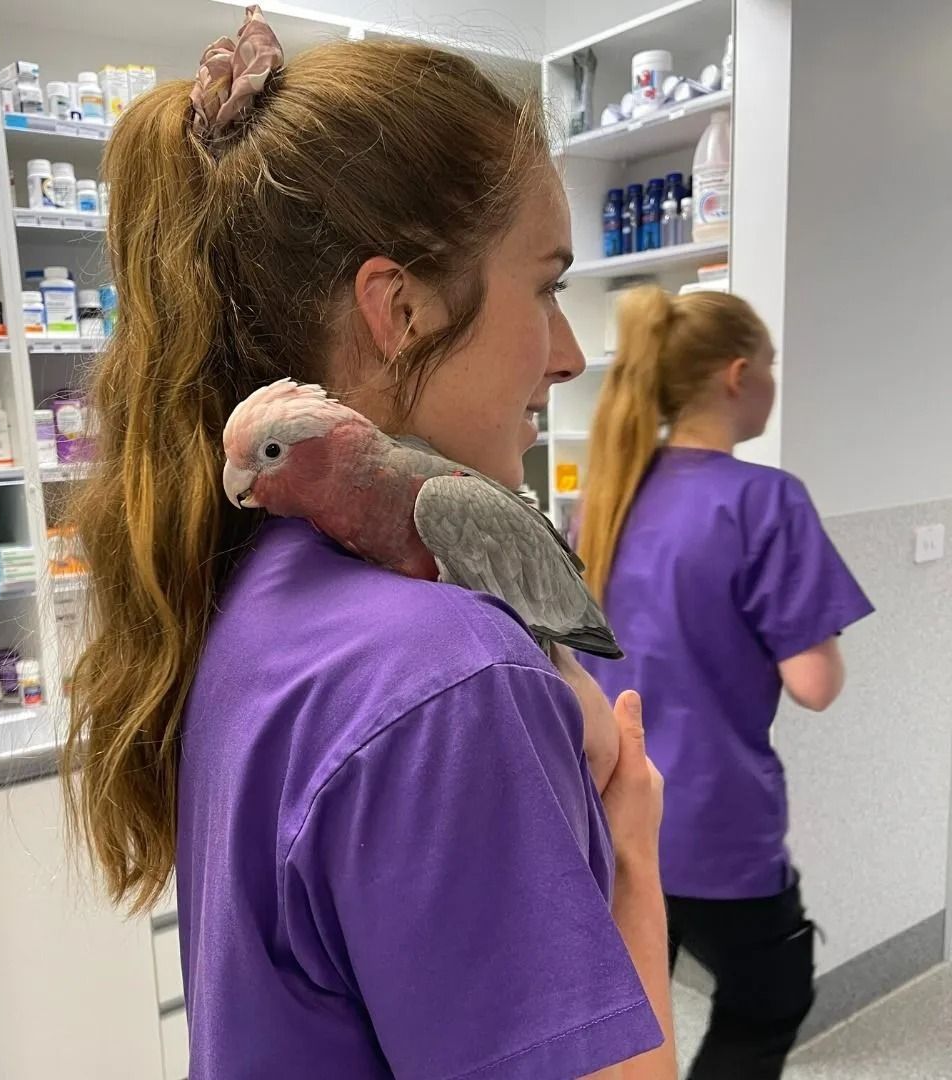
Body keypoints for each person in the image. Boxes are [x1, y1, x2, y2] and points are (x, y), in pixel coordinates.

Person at [63, 10, 677, 1079]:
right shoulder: (446, 678)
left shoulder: (257, 592)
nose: (573, 355)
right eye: (547, 285)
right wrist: (633, 857)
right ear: (397, 307)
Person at [575, 286, 874, 1080]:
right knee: (769, 997)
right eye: (772, 365)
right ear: (739, 375)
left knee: (634, 1024)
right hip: (715, 827)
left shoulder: (603, 498)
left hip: (608, 809)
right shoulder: (765, 502)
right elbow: (814, 683)